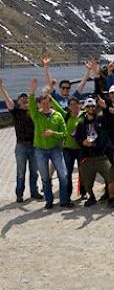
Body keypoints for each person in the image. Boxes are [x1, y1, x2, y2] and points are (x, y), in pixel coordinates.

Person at [27, 78, 72, 209]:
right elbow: (30, 104)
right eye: (43, 103)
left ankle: (64, 200)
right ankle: (49, 200)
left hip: (55, 149)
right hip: (40, 150)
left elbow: (64, 134)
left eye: (48, 103)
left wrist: (53, 133)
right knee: (45, 178)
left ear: (51, 103)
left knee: (63, 176)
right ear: (40, 104)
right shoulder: (36, 115)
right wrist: (32, 90)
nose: (46, 105)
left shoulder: (57, 115)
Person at [73, 97, 114, 208]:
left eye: (93, 106)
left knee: (111, 178)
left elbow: (110, 119)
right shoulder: (80, 123)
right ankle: (91, 197)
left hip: (101, 156)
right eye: (88, 106)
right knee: (87, 183)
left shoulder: (101, 119)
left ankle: (112, 198)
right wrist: (83, 142)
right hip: (87, 157)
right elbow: (76, 138)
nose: (90, 108)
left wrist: (105, 106)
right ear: (85, 108)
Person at [0, 78, 42, 202]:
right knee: (20, 172)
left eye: (26, 97)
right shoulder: (16, 112)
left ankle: (34, 192)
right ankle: (19, 194)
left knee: (34, 172)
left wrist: (33, 90)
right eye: (21, 98)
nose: (24, 98)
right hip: (21, 147)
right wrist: (2, 88)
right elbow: (8, 101)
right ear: (18, 102)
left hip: (34, 145)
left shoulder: (34, 112)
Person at [51, 96, 83, 200]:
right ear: (69, 106)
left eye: (75, 104)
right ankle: (67, 195)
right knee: (67, 173)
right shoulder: (66, 115)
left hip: (80, 148)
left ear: (79, 104)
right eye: (71, 104)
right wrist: (50, 97)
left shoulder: (84, 115)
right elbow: (58, 108)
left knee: (83, 171)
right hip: (67, 149)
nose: (73, 106)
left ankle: (83, 192)